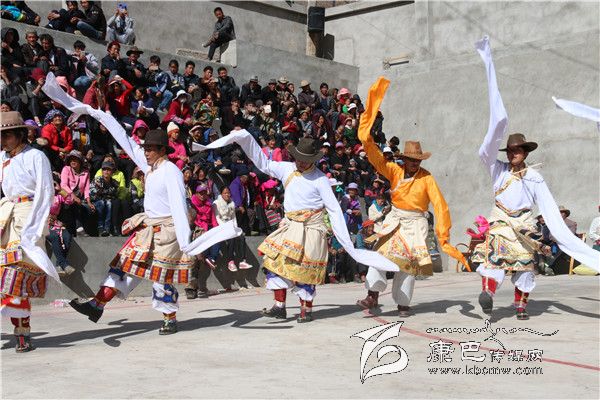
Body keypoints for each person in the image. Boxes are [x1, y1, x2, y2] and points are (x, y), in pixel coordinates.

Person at [43, 74, 239, 334]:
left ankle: (169, 318)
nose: (145, 151)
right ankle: (97, 305)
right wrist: (103, 114)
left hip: (169, 232)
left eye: (151, 148)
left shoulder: (171, 172)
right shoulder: (150, 167)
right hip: (148, 229)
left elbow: (180, 208)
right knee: (123, 265)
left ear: (162, 150)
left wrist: (185, 241)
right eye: (145, 148)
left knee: (161, 278)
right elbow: (125, 141)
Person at [193, 130, 398, 323]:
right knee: (273, 261)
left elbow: (334, 209)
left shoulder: (320, 179)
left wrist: (344, 238)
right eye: (298, 158)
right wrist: (244, 138)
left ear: (312, 160)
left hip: (311, 229)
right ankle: (279, 306)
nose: (300, 162)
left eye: (305, 160)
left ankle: (306, 309)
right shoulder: (287, 169)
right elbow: (263, 163)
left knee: (304, 270)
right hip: (290, 226)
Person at [471, 36, 599, 320]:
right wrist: (497, 123)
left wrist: (557, 233)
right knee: (494, 260)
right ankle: (488, 294)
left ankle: (520, 307)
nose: (513, 153)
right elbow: (486, 150)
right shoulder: (497, 169)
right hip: (501, 222)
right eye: (511, 150)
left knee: (525, 267)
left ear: (526, 152)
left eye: (518, 150)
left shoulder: (535, 177)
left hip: (525, 225)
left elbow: (549, 207)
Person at [355, 77, 467, 318]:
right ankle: (372, 295)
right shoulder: (394, 171)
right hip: (395, 220)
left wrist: (443, 234)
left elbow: (440, 204)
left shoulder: (427, 178)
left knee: (407, 263)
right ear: (404, 160)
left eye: (417, 160)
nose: (414, 163)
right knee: (380, 254)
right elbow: (375, 157)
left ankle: (403, 303)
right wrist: (367, 138)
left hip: (415, 223)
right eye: (411, 160)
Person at [0, 111, 59, 352]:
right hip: (6, 212)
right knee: (6, 275)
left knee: (17, 276)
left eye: (7, 135)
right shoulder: (2, 158)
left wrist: (35, 226)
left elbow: (46, 191)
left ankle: (22, 333)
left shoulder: (36, 156)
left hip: (28, 214)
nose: (2, 140)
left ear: (20, 134)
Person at [89, 160, 119, 236]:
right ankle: (100, 228)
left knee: (109, 203)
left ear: (112, 172)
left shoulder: (115, 183)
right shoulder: (97, 180)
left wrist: (104, 193)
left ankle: (107, 229)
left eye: (108, 169)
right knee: (102, 203)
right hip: (95, 201)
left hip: (107, 201)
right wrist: (100, 190)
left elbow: (114, 195)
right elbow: (92, 195)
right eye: (104, 169)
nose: (106, 171)